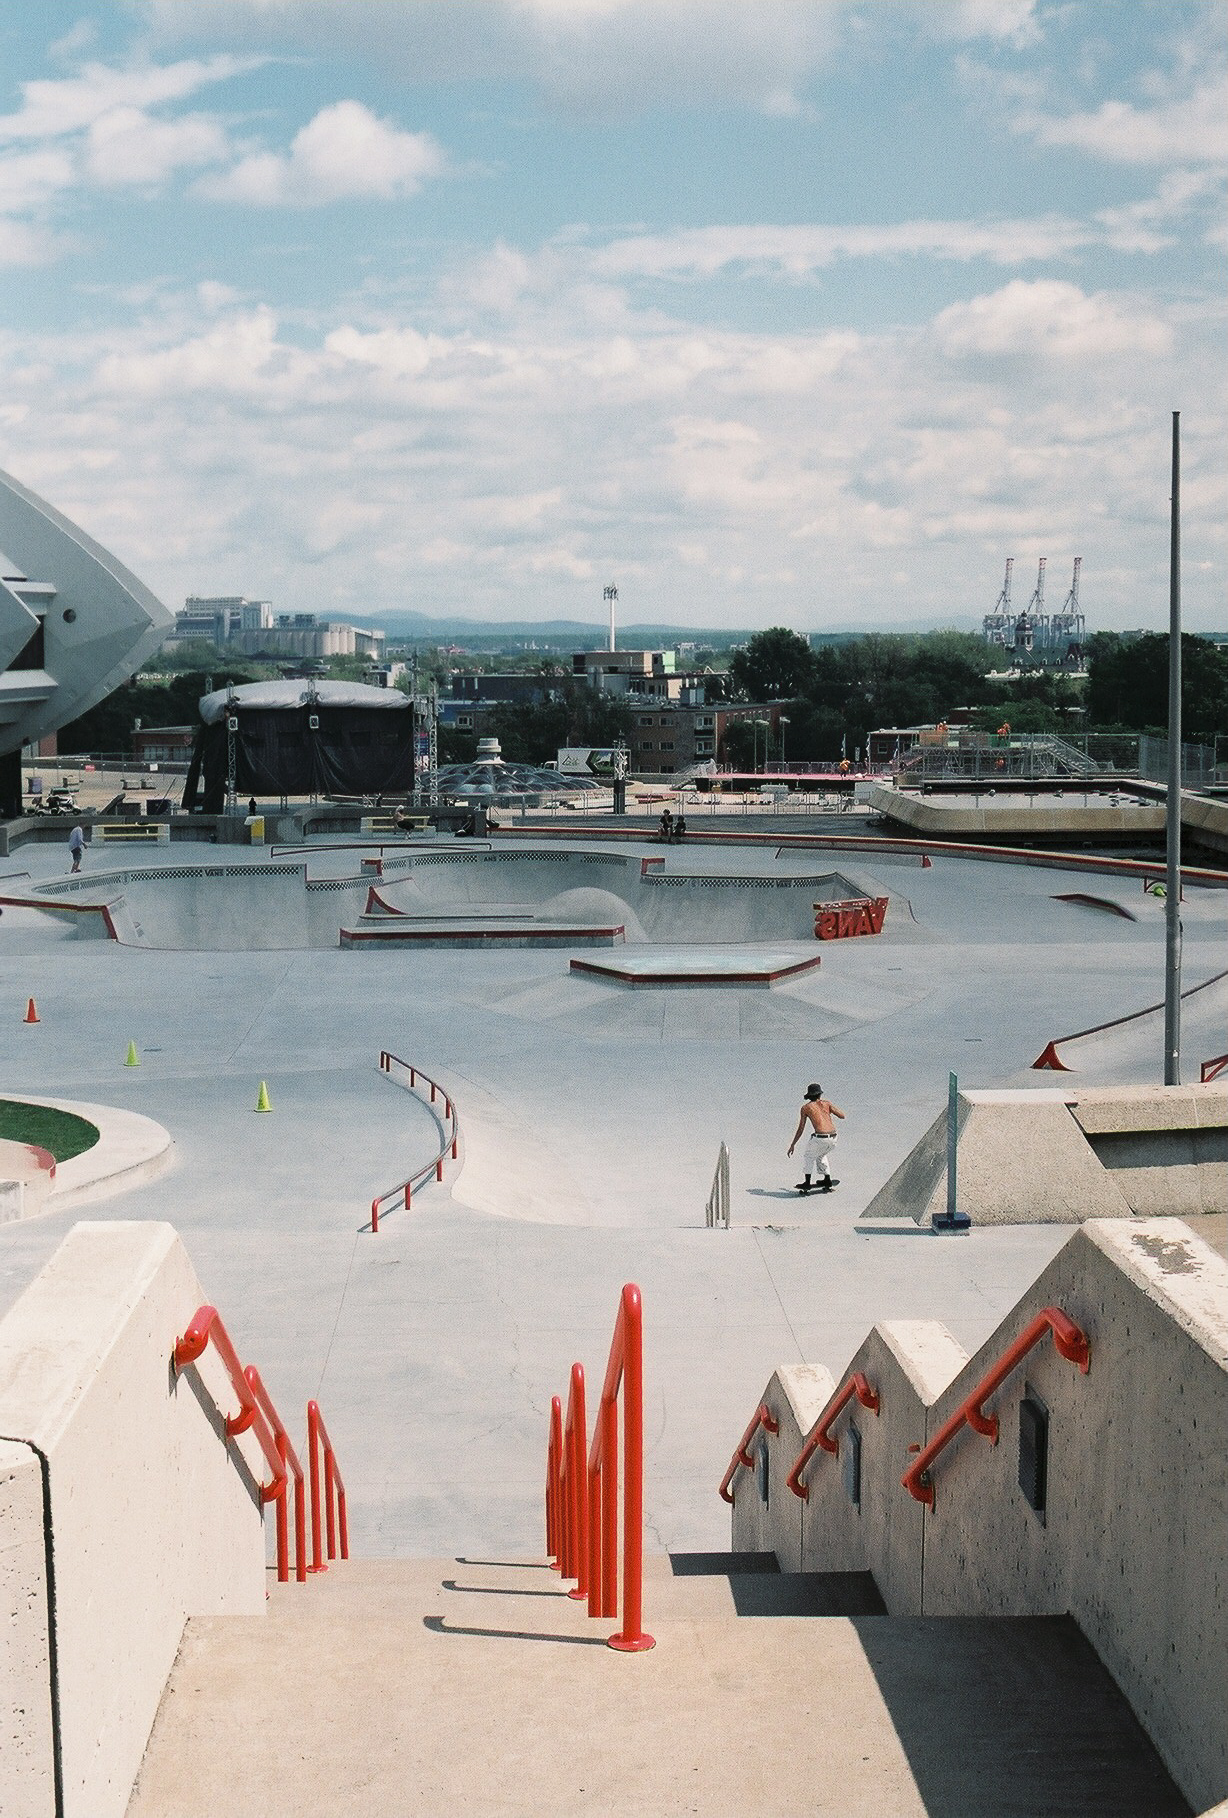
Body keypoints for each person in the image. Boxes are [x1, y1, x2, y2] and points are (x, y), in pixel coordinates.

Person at [787, 1082, 844, 1194]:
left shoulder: (806, 1108)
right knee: (822, 1155)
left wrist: (793, 1144)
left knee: (809, 1156)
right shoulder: (827, 1103)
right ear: (819, 1095)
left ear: (809, 1096)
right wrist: (829, 1110)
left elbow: (801, 1128)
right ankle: (827, 1180)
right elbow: (842, 1115)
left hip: (820, 1138)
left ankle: (807, 1183)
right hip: (833, 1138)